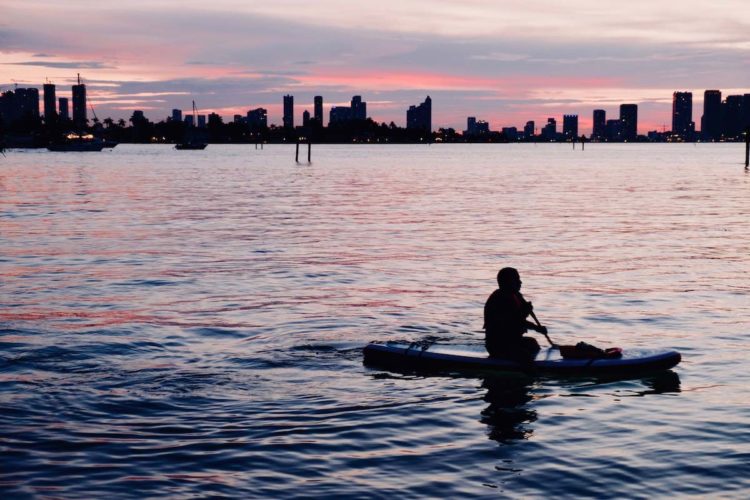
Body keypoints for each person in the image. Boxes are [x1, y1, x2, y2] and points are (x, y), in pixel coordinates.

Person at [484, 267, 548, 361]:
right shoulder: (498, 299)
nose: (520, 282)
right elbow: (511, 322)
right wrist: (524, 312)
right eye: (517, 280)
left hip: (513, 341)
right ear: (507, 282)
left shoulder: (516, 296)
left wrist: (537, 328)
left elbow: (519, 320)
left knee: (532, 343)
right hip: (499, 344)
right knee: (523, 355)